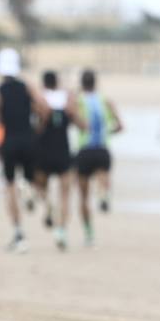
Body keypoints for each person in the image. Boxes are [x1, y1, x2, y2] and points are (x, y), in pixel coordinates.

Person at [0, 47, 45, 253]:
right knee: (31, 177)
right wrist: (37, 127)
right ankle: (28, 188)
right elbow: (43, 108)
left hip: (9, 142)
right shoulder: (28, 87)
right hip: (28, 139)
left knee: (9, 187)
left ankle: (19, 235)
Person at [32, 70, 83, 251]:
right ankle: (61, 231)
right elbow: (81, 124)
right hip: (63, 150)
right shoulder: (67, 99)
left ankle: (47, 207)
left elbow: (36, 125)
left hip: (43, 151)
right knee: (65, 195)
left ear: (44, 83)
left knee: (39, 185)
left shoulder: (40, 99)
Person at [72, 68, 123, 247]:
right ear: (96, 82)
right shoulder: (106, 101)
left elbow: (74, 122)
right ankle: (103, 192)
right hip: (102, 148)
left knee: (83, 197)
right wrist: (107, 131)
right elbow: (120, 126)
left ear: (82, 83)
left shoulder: (77, 101)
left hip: (84, 149)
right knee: (104, 175)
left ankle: (88, 233)